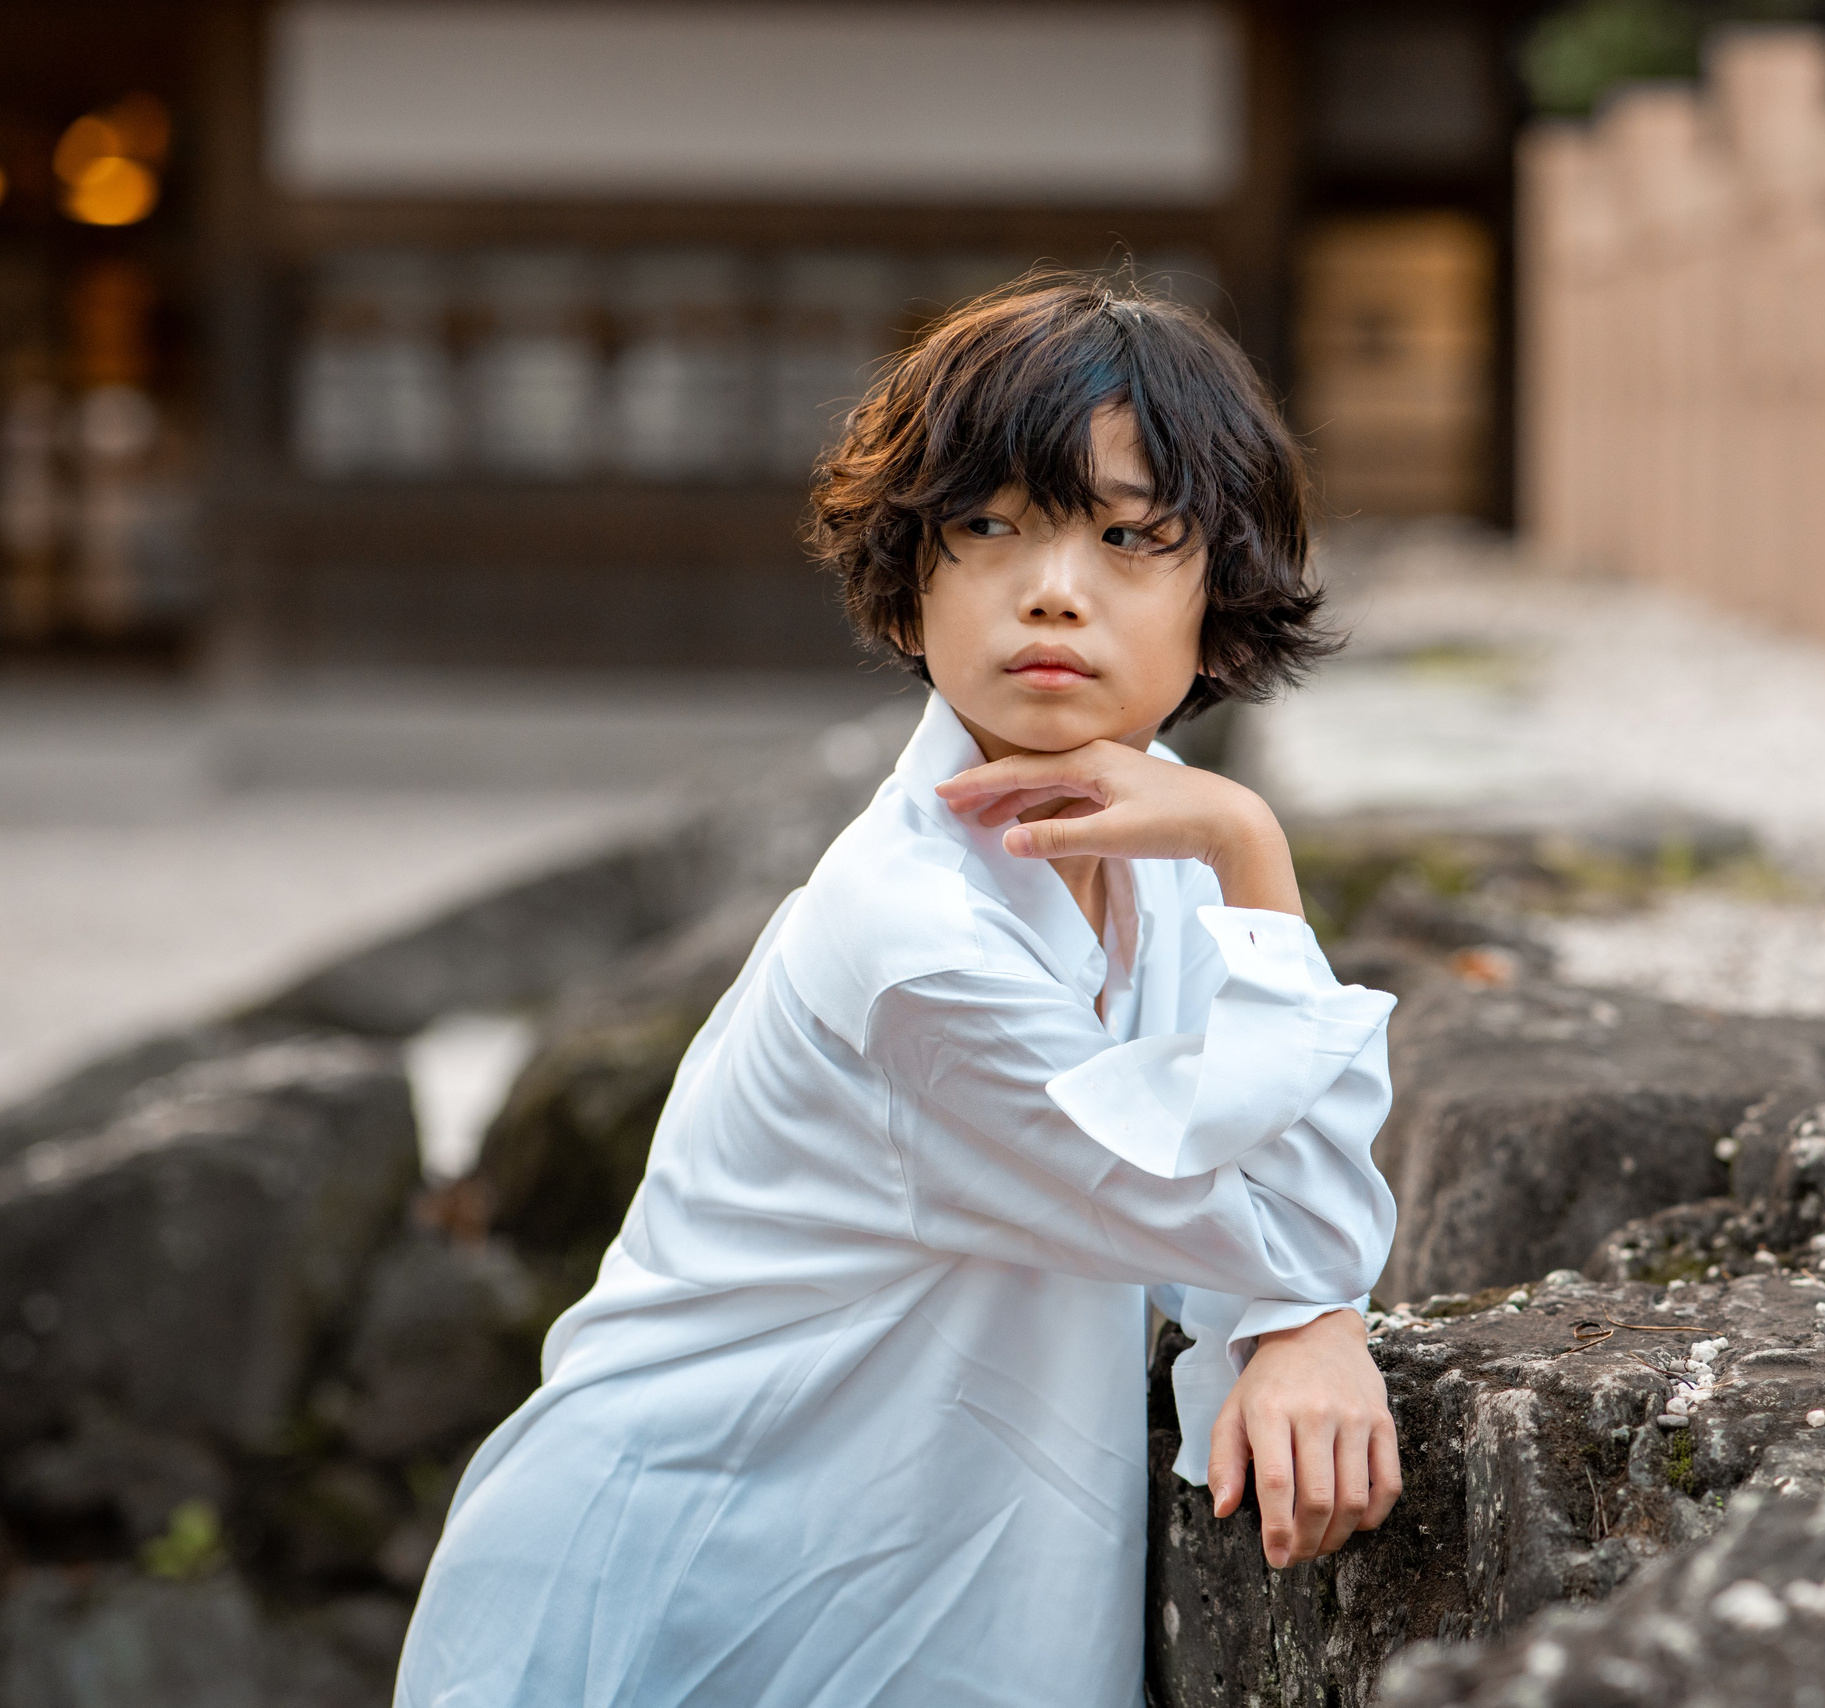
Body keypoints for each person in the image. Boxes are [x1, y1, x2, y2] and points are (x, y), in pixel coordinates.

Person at [393, 275, 1403, 1707]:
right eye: (988, 524)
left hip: (885, 1563)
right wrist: (1258, 848)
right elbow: (1259, 1224)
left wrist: (1302, 1310)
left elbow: (1263, 1222)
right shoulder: (917, 937)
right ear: (913, 569)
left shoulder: (1149, 824)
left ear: (1214, 588)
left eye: (1127, 536)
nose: (1053, 584)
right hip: (675, 1583)